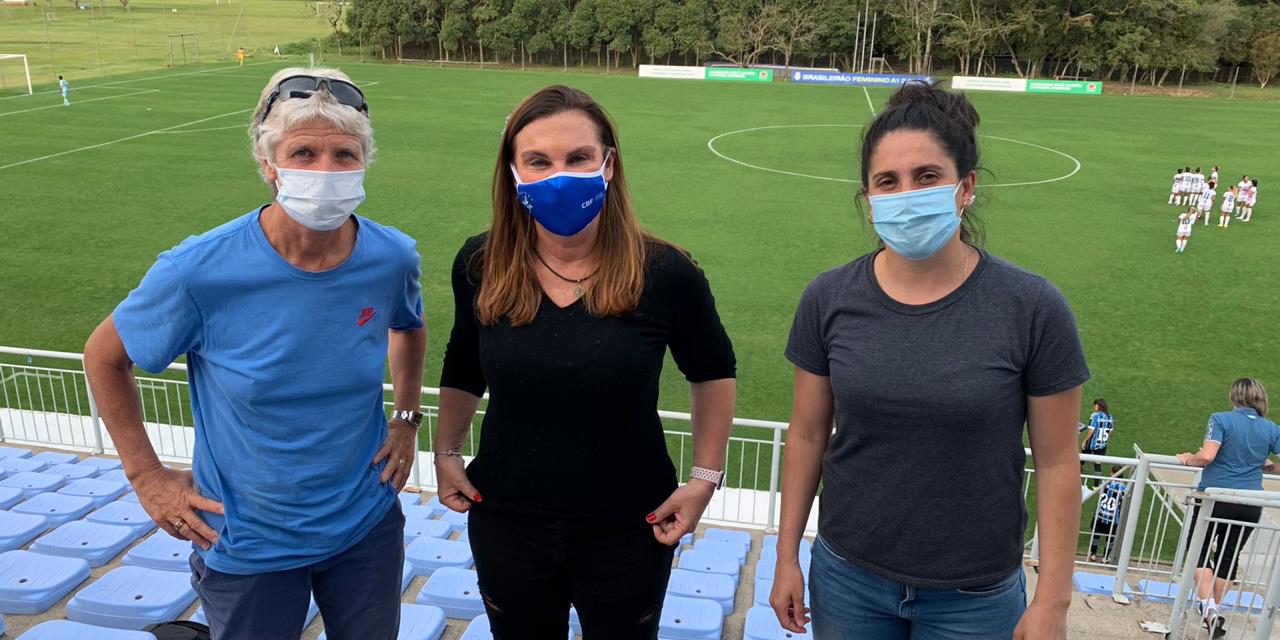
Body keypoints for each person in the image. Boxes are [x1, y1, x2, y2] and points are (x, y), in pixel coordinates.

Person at [82, 67, 424, 640]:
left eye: (344, 154)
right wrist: (146, 476)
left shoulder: (391, 257)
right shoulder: (198, 270)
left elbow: (408, 327)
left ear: (364, 163)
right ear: (269, 166)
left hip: (366, 523)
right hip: (246, 536)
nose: (325, 171)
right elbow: (103, 355)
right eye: (303, 153)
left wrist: (407, 419)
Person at [770, 81, 1089, 640]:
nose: (906, 194)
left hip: (976, 596)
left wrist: (1053, 602)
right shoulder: (828, 298)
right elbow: (806, 436)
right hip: (848, 579)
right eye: (887, 182)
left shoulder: (1032, 307)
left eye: (927, 177)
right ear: (868, 199)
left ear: (964, 187)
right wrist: (786, 557)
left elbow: (1060, 462)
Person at [434, 85, 736, 639]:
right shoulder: (480, 262)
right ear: (513, 172)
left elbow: (712, 371)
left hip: (630, 527)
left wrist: (705, 478)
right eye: (538, 161)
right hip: (507, 519)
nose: (560, 174)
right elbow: (463, 361)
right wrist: (445, 449)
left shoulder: (666, 272)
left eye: (578, 158)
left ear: (609, 165)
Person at [1177, 379, 1279, 637]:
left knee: (1198, 552)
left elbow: (1208, 455)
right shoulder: (1270, 428)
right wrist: (1264, 466)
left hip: (1215, 497)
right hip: (1250, 502)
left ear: (1234, 396)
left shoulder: (1220, 419)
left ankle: (1209, 610)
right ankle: (1213, 613)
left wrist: (1189, 459)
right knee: (1228, 556)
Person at [1088, 466, 1128, 563]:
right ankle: (1105, 557)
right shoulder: (1123, 488)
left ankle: (1093, 554)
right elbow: (1124, 499)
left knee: (1096, 534)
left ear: (1112, 472)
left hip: (1100, 514)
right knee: (1110, 538)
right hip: (1113, 518)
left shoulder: (1105, 482)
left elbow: (1099, 493)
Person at [1080, 398, 1116, 477]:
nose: (1094, 407)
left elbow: (1091, 430)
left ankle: (1078, 472)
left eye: (1095, 405)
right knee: (1097, 463)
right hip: (1102, 444)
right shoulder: (1110, 417)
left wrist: (1085, 441)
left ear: (1099, 406)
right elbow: (1110, 431)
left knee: (1082, 457)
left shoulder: (1095, 415)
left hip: (1092, 442)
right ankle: (1096, 486)